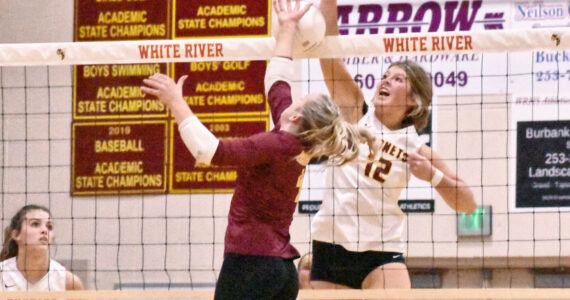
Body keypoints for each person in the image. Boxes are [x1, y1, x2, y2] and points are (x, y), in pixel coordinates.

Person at [141, 1, 375, 298]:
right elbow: (277, 82)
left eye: (299, 101)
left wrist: (176, 101)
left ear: (296, 115)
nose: (293, 99)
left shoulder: (277, 145)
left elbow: (208, 151)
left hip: (251, 266)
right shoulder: (292, 137)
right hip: (280, 271)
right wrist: (287, 28)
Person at [309, 0, 478, 290]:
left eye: (397, 78)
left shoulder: (417, 148)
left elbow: (469, 204)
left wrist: (432, 176)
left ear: (413, 100)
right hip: (331, 245)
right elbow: (329, 53)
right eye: (386, 75)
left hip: (382, 250)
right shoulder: (354, 114)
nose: (385, 80)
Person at [0, 204, 84, 291]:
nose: (44, 230)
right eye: (35, 224)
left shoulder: (70, 283)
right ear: (16, 235)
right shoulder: (2, 275)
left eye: (49, 226)